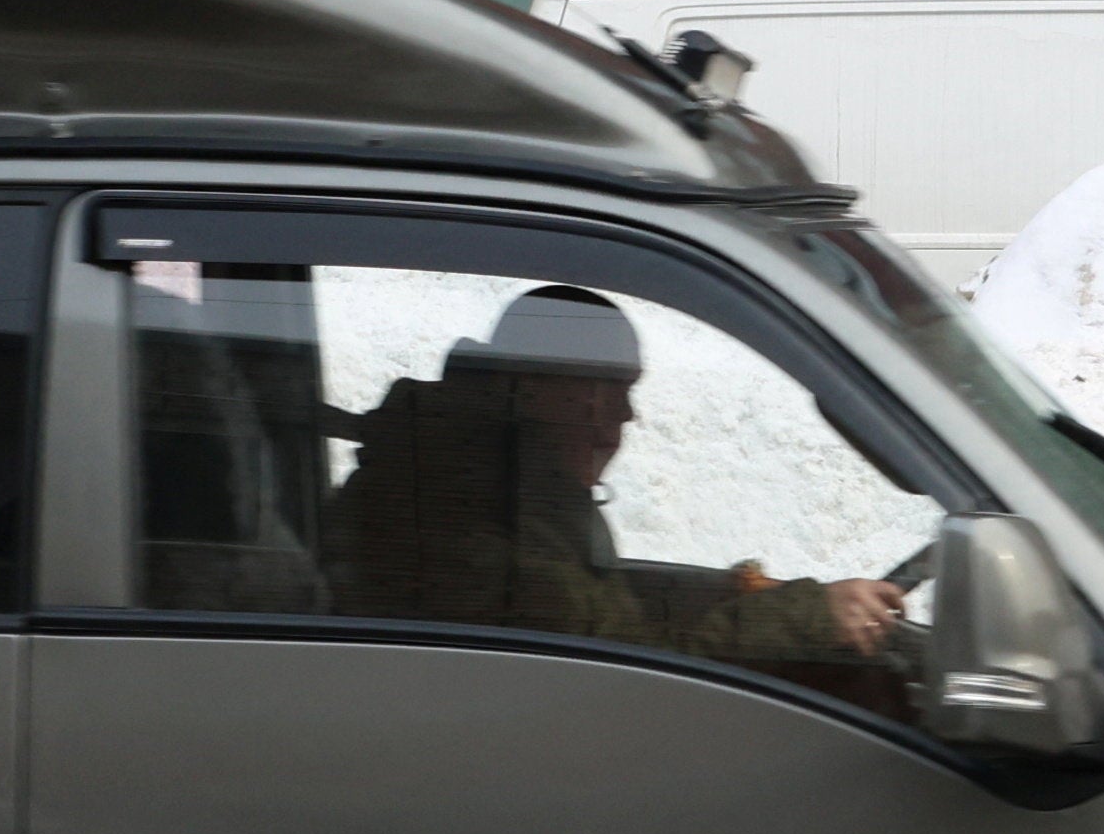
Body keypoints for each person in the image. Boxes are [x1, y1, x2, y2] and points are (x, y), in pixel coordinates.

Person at [332, 289, 906, 699]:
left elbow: (605, 617)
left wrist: (741, 595)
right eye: (607, 389)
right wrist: (810, 616)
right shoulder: (464, 514)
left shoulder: (506, 486)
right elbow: (637, 673)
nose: (625, 415)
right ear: (530, 387)